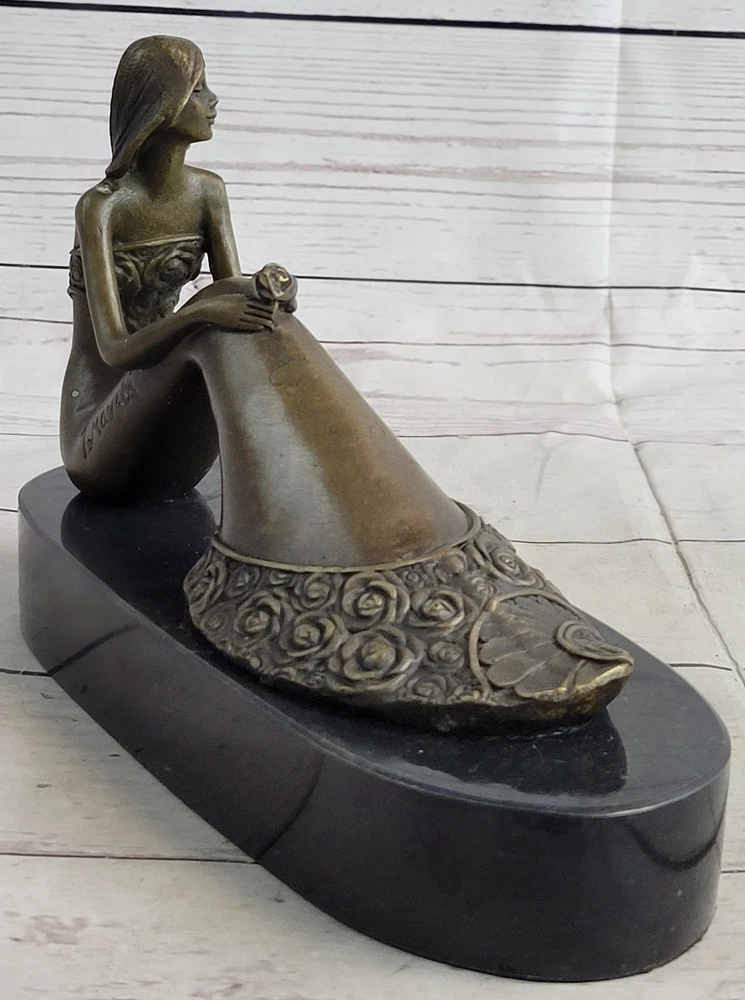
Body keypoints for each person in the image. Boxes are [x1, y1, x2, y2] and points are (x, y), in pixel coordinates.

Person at [62, 35, 632, 732]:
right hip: (104, 435)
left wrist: (268, 294)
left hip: (175, 434)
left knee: (249, 316)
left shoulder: (207, 191)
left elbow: (234, 300)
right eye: (199, 89)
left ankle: (385, 544)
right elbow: (117, 350)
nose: (213, 101)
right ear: (161, 106)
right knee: (218, 318)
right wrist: (205, 312)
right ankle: (297, 580)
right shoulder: (104, 207)